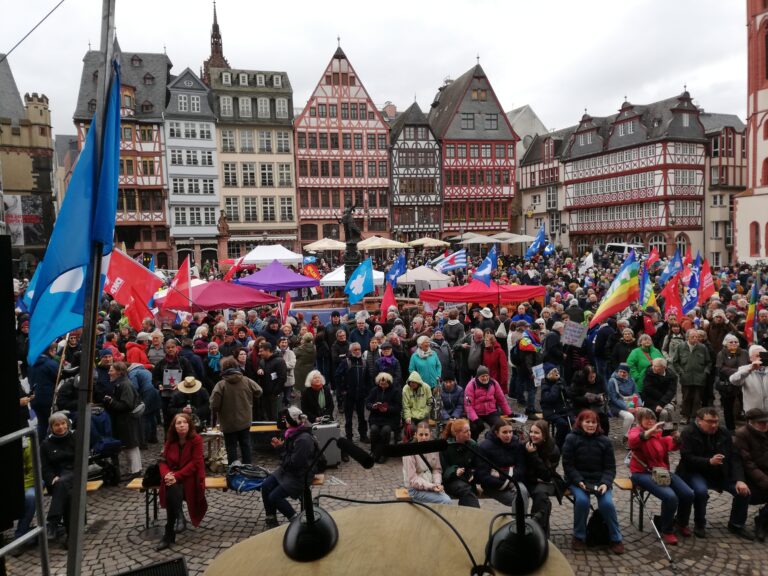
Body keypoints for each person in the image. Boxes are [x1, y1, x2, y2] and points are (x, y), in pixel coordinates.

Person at [675, 407, 753, 540]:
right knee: (701, 492)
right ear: (699, 421)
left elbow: (734, 457)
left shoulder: (724, 432)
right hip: (694, 471)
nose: (714, 425)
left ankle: (736, 524)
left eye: (716, 421)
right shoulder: (688, 432)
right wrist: (709, 461)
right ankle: (700, 524)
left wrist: (740, 479)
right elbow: (687, 458)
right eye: (710, 422)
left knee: (743, 491)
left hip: (720, 473)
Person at [628, 408, 694, 545]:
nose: (650, 421)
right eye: (646, 418)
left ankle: (681, 523)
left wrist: (677, 439)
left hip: (661, 471)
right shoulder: (636, 431)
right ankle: (667, 530)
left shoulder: (658, 434)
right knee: (670, 497)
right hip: (641, 473)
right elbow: (633, 441)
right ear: (640, 420)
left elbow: (670, 444)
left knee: (688, 493)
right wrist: (650, 431)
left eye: (652, 418)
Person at [562, 409, 624, 554]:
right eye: (587, 422)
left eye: (593, 422)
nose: (591, 425)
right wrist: (579, 481)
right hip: (578, 480)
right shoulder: (571, 439)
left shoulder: (605, 441)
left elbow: (610, 468)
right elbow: (568, 465)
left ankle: (616, 538)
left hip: (599, 481)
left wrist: (605, 483)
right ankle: (579, 536)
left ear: (598, 424)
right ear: (580, 423)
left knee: (607, 504)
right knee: (582, 501)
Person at [155, 413, 207, 551]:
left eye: (184, 422)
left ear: (189, 425)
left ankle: (169, 533)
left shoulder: (196, 439)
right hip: (173, 477)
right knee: (172, 486)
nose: (182, 425)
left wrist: (176, 476)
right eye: (178, 423)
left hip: (191, 477)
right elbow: (162, 461)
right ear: (174, 426)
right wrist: (166, 474)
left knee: (172, 486)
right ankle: (178, 517)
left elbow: (195, 463)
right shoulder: (170, 440)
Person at [262, 407, 318, 528]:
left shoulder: (303, 439)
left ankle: (295, 520)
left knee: (274, 497)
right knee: (266, 486)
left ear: (292, 421)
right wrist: (281, 447)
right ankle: (271, 518)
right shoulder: (293, 432)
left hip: (301, 474)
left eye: (286, 419)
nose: (284, 421)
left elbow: (295, 463)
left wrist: (280, 449)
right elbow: (290, 455)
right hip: (289, 470)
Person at [210, 356, 263, 465]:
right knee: (245, 444)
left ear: (223, 369)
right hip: (245, 420)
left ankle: (233, 470)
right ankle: (248, 467)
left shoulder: (221, 385)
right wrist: (249, 399)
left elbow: (214, 404)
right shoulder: (246, 380)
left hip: (228, 422)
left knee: (231, 447)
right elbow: (259, 391)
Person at [476, 422, 530, 511]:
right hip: (493, 486)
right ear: (497, 433)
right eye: (504, 432)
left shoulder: (517, 445)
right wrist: (505, 482)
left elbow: (521, 468)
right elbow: (483, 475)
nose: (508, 435)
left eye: (510, 432)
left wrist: (503, 477)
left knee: (523, 492)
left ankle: (520, 519)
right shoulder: (484, 447)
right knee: (519, 499)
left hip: (513, 481)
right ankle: (520, 520)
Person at [40, 412, 76, 546]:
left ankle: (52, 523)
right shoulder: (46, 444)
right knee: (69, 495)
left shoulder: (75, 438)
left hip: (75, 474)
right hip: (56, 479)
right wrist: (51, 477)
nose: (60, 427)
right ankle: (71, 536)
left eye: (63, 423)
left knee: (64, 485)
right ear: (51, 427)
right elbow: (45, 468)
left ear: (67, 424)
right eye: (56, 425)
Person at [733, 408, 768, 541]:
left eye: (766, 422)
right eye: (761, 423)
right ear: (751, 422)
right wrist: (765, 481)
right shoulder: (742, 435)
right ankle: (761, 523)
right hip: (750, 477)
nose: (765, 425)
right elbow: (748, 464)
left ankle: (763, 519)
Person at [523, 419, 562, 537]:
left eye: (536, 433)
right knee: (542, 500)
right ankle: (540, 532)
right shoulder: (526, 446)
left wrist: (533, 455)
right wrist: (534, 478)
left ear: (544, 435)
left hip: (548, 482)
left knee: (541, 496)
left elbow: (546, 475)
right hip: (530, 481)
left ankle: (538, 532)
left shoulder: (553, 449)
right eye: (531, 432)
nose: (532, 435)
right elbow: (523, 470)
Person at [103, 362, 142, 478]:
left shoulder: (125, 384)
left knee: (130, 445)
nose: (109, 372)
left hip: (126, 421)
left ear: (119, 372)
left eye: (111, 370)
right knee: (129, 445)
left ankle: (135, 471)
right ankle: (133, 470)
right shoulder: (121, 383)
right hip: (124, 420)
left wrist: (111, 402)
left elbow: (127, 405)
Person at [401, 421, 452, 504]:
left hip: (431, 484)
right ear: (416, 435)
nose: (424, 438)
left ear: (430, 434)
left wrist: (437, 484)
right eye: (421, 435)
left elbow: (436, 470)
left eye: (426, 434)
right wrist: (432, 487)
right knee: (446, 501)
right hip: (414, 490)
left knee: (446, 498)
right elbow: (413, 479)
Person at [152, 338, 194, 432]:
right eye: (168, 347)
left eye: (172, 347)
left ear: (176, 348)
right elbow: (154, 379)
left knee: (182, 419)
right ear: (165, 349)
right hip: (166, 397)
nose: (170, 349)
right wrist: (159, 385)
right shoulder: (160, 363)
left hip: (181, 396)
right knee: (168, 421)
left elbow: (191, 376)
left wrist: (181, 384)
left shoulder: (184, 361)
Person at [672, 329, 711, 423]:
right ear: (687, 337)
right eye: (693, 337)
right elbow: (675, 362)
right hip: (686, 377)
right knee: (686, 398)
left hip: (699, 378)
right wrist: (681, 372)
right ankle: (685, 416)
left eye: (697, 337)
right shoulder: (681, 346)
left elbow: (709, 362)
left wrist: (705, 372)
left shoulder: (703, 347)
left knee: (697, 399)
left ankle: (695, 417)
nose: (695, 338)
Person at [464, 365, 512, 440]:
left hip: (491, 411)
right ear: (478, 377)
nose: (485, 378)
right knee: (475, 428)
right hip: (477, 413)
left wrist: (508, 413)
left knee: (499, 426)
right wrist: (475, 419)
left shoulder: (494, 383)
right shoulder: (471, 385)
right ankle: (473, 442)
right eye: (483, 376)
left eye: (487, 376)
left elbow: (501, 399)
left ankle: (492, 440)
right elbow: (468, 406)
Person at [440, 418, 480, 507]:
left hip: (467, 480)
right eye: (466, 431)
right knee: (467, 491)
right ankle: (474, 513)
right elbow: (443, 469)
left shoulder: (472, 445)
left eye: (469, 430)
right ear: (456, 433)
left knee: (468, 492)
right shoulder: (446, 446)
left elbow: (477, 464)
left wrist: (472, 473)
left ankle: (467, 513)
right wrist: (455, 471)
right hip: (451, 480)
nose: (469, 433)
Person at [337, 342, 370, 443]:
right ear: (350, 351)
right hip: (349, 395)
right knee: (348, 418)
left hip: (360, 395)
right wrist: (343, 390)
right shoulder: (345, 362)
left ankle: (363, 435)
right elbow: (337, 376)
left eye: (359, 349)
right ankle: (349, 437)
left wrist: (366, 391)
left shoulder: (364, 362)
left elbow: (368, 378)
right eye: (355, 349)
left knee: (362, 416)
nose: (357, 351)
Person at [365, 372, 402, 463]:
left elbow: (398, 407)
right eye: (381, 384)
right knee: (374, 429)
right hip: (376, 417)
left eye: (385, 384)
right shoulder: (374, 390)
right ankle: (374, 451)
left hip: (390, 419)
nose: (383, 386)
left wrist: (387, 409)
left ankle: (384, 453)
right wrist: (373, 406)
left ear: (389, 383)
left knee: (386, 430)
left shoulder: (395, 391)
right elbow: (367, 403)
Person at [716, 335, 750, 431]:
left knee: (746, 405)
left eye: (736, 342)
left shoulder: (744, 352)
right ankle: (730, 428)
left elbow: (748, 364)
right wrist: (737, 371)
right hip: (728, 383)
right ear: (725, 344)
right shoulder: (721, 353)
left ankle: (749, 427)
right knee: (728, 407)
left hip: (744, 382)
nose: (734, 343)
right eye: (731, 342)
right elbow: (720, 368)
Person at [569, 365, 610, 434]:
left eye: (594, 376)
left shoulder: (599, 379)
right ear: (585, 376)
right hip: (582, 406)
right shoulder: (578, 382)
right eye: (590, 377)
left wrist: (601, 397)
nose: (593, 379)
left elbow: (605, 392)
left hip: (597, 406)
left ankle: (603, 437)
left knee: (604, 420)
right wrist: (588, 399)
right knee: (590, 416)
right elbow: (574, 398)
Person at [606, 363, 638, 448]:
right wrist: (627, 407)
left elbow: (636, 394)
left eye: (624, 372)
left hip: (631, 404)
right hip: (616, 406)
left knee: (642, 413)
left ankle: (636, 437)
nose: (622, 374)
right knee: (629, 417)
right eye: (620, 371)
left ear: (628, 373)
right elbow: (613, 398)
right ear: (617, 371)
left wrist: (638, 405)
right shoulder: (612, 381)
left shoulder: (631, 380)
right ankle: (626, 437)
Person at [729, 345, 768, 414]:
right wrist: (750, 369)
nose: (760, 359)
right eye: (757, 356)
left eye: (763, 356)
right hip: (753, 412)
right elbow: (733, 380)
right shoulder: (744, 369)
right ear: (751, 358)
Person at [641, 358, 678, 430]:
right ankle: (658, 429)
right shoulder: (649, 373)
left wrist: (661, 403)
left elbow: (671, 391)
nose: (653, 368)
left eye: (656, 366)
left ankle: (667, 430)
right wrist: (661, 402)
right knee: (663, 412)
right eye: (653, 365)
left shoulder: (672, 376)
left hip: (665, 400)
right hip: (651, 400)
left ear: (664, 367)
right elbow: (649, 389)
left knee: (669, 409)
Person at [540, 364, 571, 449]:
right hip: (550, 410)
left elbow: (569, 395)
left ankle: (568, 443)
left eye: (556, 371)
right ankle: (558, 445)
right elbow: (550, 398)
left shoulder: (561, 380)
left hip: (562, 409)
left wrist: (564, 388)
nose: (557, 373)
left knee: (573, 422)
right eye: (554, 371)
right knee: (562, 424)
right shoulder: (545, 383)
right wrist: (556, 386)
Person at [256, 342, 287, 421]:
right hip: (265, 394)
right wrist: (259, 370)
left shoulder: (279, 361)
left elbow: (282, 378)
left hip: (275, 395)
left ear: (268, 350)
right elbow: (260, 369)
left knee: (276, 416)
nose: (259, 353)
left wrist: (275, 392)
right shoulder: (262, 361)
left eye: (261, 351)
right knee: (268, 416)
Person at [402, 371, 431, 438]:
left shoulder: (426, 387)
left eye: (414, 382)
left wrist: (425, 412)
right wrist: (407, 416)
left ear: (418, 382)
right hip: (411, 415)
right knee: (411, 429)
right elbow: (405, 405)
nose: (412, 384)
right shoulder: (405, 389)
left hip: (423, 414)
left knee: (422, 430)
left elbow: (430, 402)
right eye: (411, 382)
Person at [293, 333, 316, 398]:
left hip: (300, 369)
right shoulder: (314, 348)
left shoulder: (301, 349)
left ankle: (303, 399)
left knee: (301, 386)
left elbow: (294, 354)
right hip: (310, 368)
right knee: (308, 384)